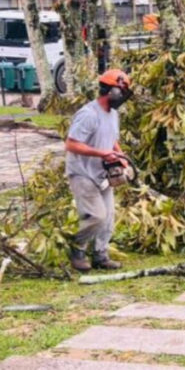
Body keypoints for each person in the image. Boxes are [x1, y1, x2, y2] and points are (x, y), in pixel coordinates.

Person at [64, 69, 133, 272]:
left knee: (108, 217)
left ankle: (100, 256)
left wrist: (121, 157)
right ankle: (77, 249)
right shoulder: (88, 114)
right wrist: (101, 153)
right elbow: (71, 144)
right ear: (110, 91)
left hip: (102, 174)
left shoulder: (113, 115)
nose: (123, 96)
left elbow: (112, 139)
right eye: (121, 91)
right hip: (82, 172)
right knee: (96, 215)